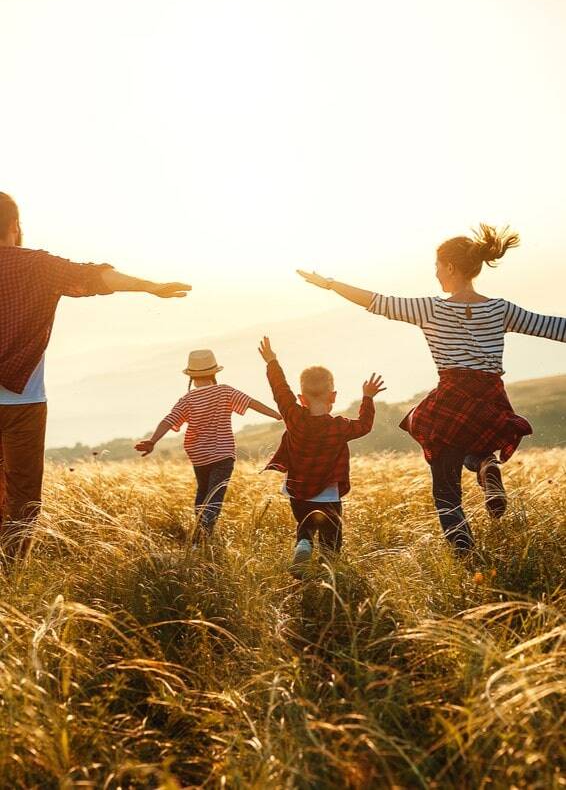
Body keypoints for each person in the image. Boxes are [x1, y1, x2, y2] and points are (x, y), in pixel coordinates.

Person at [297, 224, 566, 554]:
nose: (436, 273)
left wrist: (330, 284)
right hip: (490, 399)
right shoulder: (500, 309)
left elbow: (376, 302)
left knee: (446, 488)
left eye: (437, 266)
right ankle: (486, 465)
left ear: (451, 267)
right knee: (479, 443)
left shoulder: (431, 308)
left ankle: (464, 550)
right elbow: (555, 328)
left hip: (451, 398)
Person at [0, 191, 191, 559]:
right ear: (15, 225)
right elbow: (95, 277)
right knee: (22, 494)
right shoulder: (37, 266)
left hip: (24, 402)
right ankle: (11, 569)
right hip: (24, 402)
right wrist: (150, 286)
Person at [258, 336, 385, 577]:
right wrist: (367, 397)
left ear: (301, 399)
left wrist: (272, 362)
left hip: (297, 489)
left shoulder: (293, 416)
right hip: (328, 493)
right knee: (331, 536)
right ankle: (328, 571)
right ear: (333, 396)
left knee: (305, 524)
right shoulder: (339, 426)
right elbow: (365, 425)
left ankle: (304, 543)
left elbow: (280, 390)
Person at [135, 348, 281, 543]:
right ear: (214, 372)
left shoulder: (187, 399)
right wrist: (277, 414)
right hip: (223, 454)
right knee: (215, 495)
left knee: (203, 492)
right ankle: (203, 536)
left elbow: (168, 421)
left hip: (199, 456)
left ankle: (198, 536)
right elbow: (251, 403)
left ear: (191, 377)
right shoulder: (225, 391)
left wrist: (153, 441)